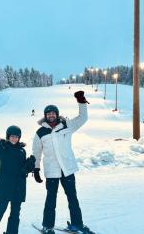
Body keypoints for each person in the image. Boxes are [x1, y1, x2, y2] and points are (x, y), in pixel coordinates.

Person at [32, 91, 95, 234]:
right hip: (52, 171)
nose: (51, 115)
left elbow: (83, 118)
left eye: (53, 113)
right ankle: (48, 226)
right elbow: (36, 152)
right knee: (51, 200)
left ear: (57, 114)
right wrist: (36, 169)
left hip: (67, 169)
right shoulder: (40, 132)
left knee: (73, 199)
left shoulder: (67, 125)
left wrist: (81, 101)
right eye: (48, 114)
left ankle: (77, 224)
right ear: (45, 116)